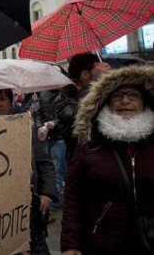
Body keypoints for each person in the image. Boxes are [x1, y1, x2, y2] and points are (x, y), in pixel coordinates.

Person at [61, 65, 154, 254]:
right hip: (103, 243)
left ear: (144, 101)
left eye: (133, 95)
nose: (125, 101)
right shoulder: (90, 142)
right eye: (117, 95)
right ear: (106, 102)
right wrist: (71, 243)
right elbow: (74, 195)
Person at [0, 89, 57, 254]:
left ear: (10, 103)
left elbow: (44, 162)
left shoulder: (25, 129)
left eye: (3, 99)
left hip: (31, 211)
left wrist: (47, 193)